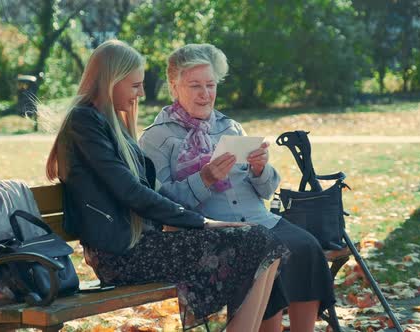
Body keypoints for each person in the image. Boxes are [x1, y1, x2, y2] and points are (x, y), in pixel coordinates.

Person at [45, 40, 288, 332]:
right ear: (112, 81)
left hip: (142, 243)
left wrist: (204, 223)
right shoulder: (84, 123)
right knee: (257, 241)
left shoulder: (106, 122)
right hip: (121, 254)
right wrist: (202, 223)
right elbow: (130, 192)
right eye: (135, 85)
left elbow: (149, 190)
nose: (141, 93)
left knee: (264, 241)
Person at [139, 43, 336, 332]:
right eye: (195, 85)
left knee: (305, 247)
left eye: (210, 85)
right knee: (265, 255)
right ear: (174, 86)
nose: (205, 94)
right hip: (215, 228)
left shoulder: (231, 127)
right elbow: (160, 204)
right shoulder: (157, 137)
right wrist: (203, 179)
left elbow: (266, 190)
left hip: (259, 219)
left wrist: (261, 169)